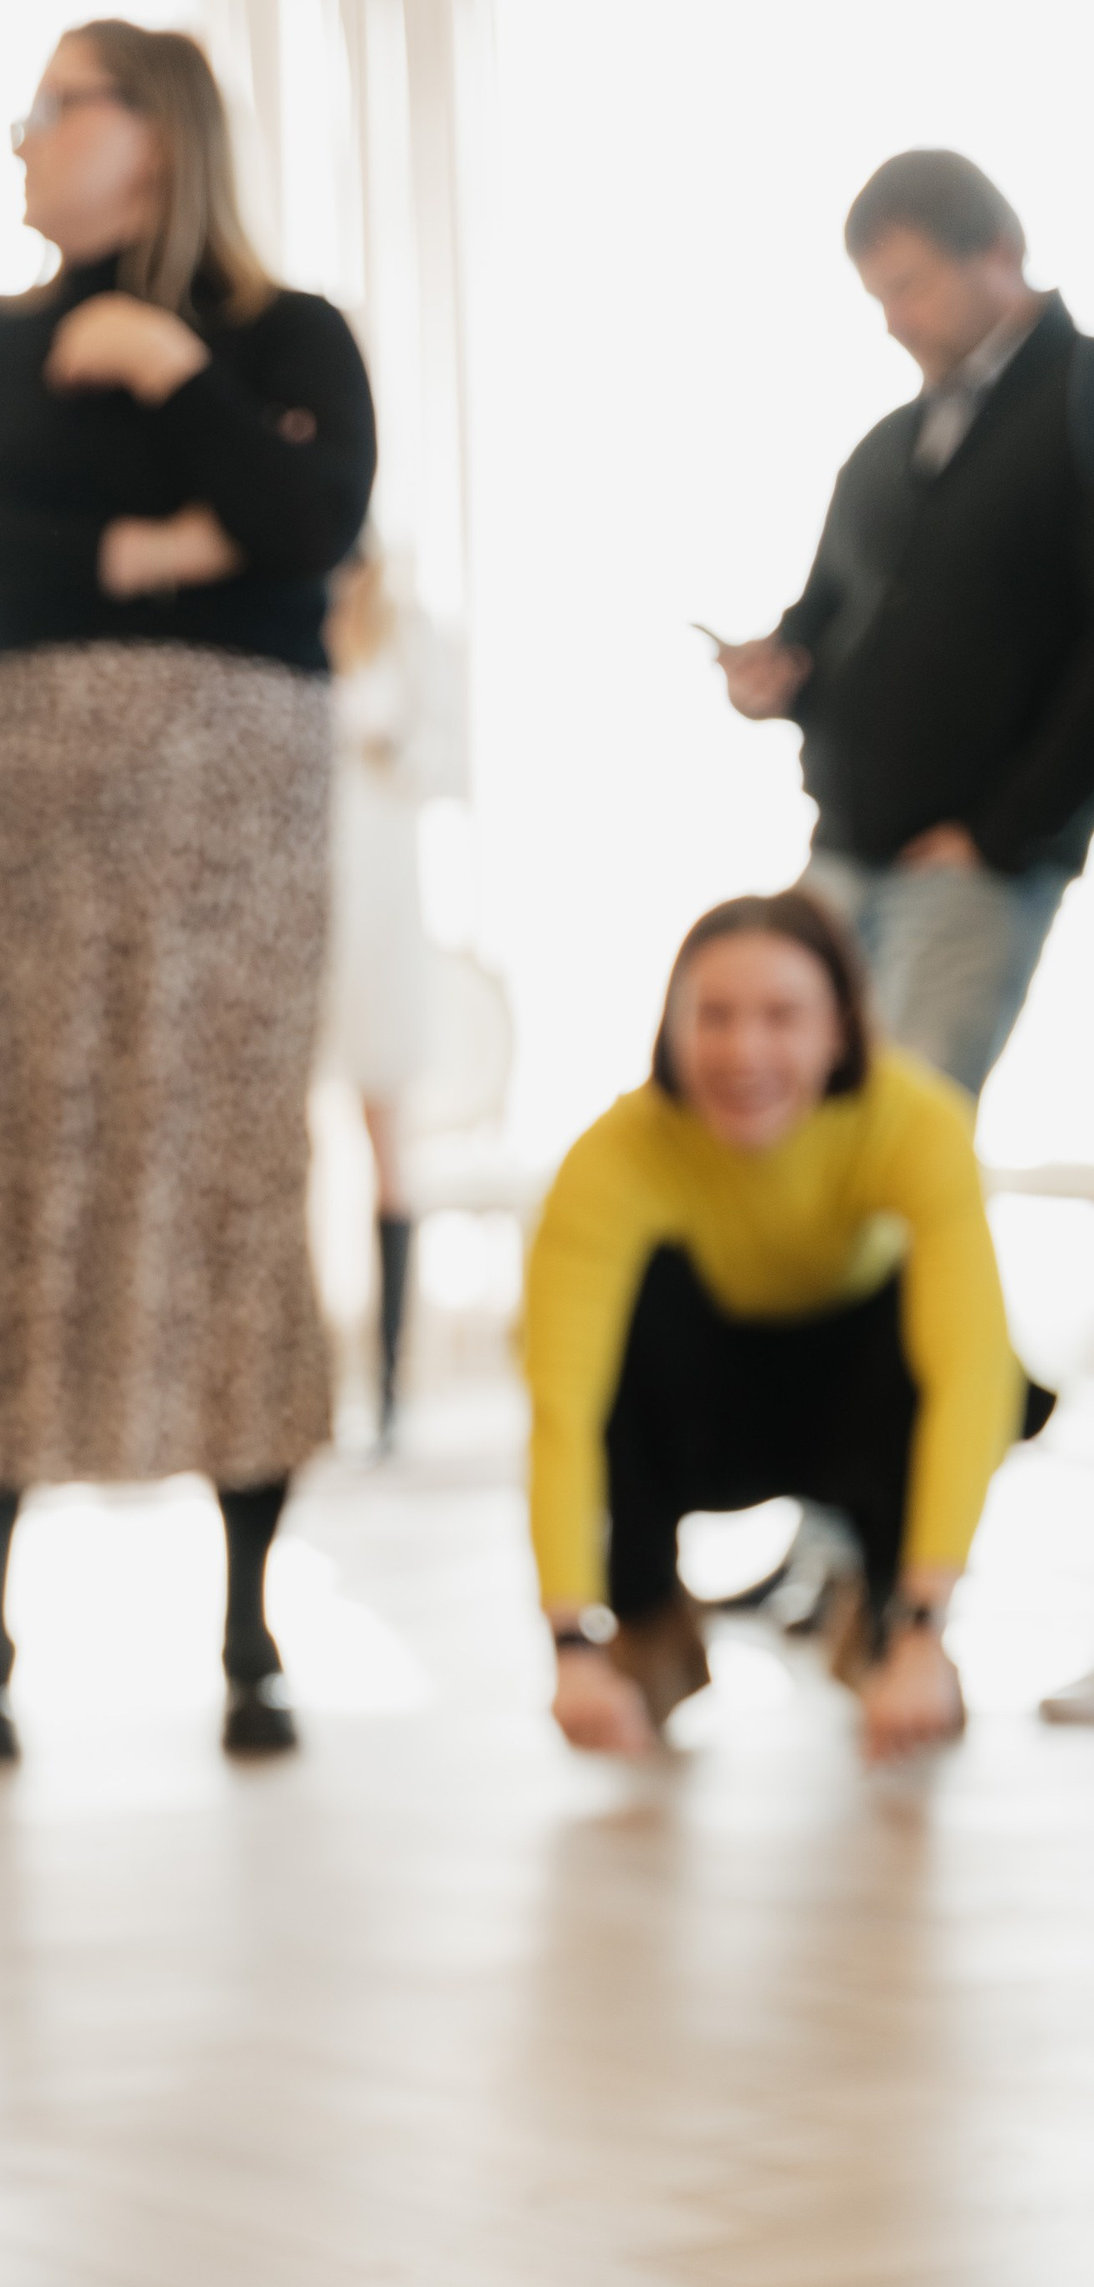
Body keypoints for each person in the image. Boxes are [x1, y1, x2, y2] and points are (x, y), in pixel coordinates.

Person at [0, 20, 375, 1766]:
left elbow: (312, 517)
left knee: (226, 1155)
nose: (25, 137)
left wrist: (174, 373)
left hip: (233, 801)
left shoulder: (282, 335)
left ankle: (248, 1619)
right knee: (7, 1154)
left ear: (151, 130)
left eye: (55, 106)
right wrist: (145, 551)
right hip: (6, 792)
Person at [524, 893, 1048, 1765]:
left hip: (853, 1409)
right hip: (703, 1415)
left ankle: (886, 1614)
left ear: (839, 1030)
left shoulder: (916, 1123)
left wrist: (927, 1623)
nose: (745, 1052)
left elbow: (969, 1377)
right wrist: (571, 1644)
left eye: (781, 1017)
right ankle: (650, 1624)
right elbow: (561, 1410)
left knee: (967, 1351)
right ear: (672, 1027)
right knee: (619, 1325)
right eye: (715, 1017)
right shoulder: (613, 1155)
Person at [714, 152, 1094, 1103]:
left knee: (902, 1140)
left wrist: (1001, 834)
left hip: (973, 868)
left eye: (909, 287)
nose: (894, 320)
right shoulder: (888, 447)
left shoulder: (1080, 402)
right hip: (844, 849)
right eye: (877, 297)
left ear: (998, 252)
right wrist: (774, 674)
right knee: (780, 1118)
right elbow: (822, 616)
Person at [323, 536, 465, 1446]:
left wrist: (384, 738)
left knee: (388, 1152)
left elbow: (447, 762)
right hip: (285, 906)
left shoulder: (410, 634)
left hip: (380, 915)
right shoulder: (281, 618)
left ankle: (389, 1393)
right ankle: (296, 1389)